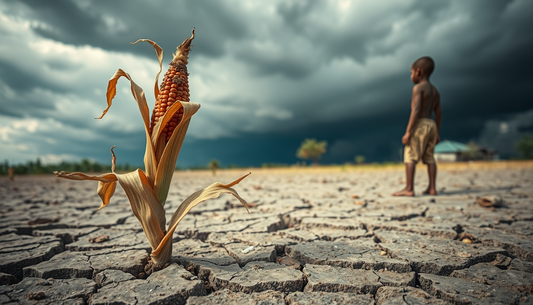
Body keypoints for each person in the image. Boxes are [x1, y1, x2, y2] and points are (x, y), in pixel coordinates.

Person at [393, 56, 441, 197]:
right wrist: (437, 131)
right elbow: (438, 113)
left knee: (410, 155)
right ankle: (432, 188)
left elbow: (416, 110)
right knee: (430, 158)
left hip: (419, 124)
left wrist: (408, 132)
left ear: (418, 72)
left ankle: (409, 188)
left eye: (411, 72)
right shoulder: (435, 91)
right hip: (431, 124)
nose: (411, 76)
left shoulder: (418, 88)